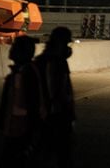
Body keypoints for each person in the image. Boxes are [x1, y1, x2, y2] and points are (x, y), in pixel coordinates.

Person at [34, 26, 76, 168]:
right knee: (58, 154)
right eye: (66, 44)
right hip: (53, 116)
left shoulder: (45, 60)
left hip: (52, 115)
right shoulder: (54, 62)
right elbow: (58, 91)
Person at [0, 34, 41, 166]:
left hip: (20, 130)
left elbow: (33, 103)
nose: (11, 50)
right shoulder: (19, 72)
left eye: (14, 47)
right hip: (14, 128)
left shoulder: (26, 74)